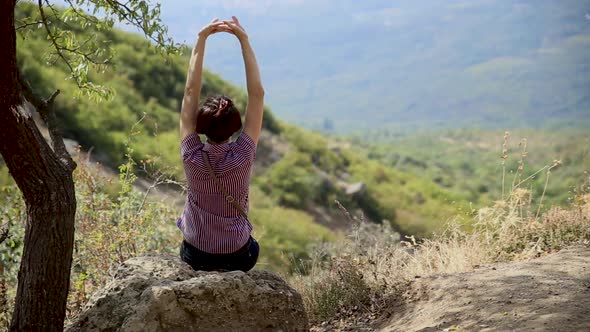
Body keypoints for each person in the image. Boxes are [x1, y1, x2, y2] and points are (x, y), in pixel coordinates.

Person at [177, 17, 265, 272]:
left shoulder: (190, 154)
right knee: (254, 246)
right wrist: (244, 40)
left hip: (195, 255)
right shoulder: (243, 154)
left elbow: (190, 92)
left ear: (200, 125)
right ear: (236, 126)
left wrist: (201, 39)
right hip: (237, 255)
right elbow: (257, 95)